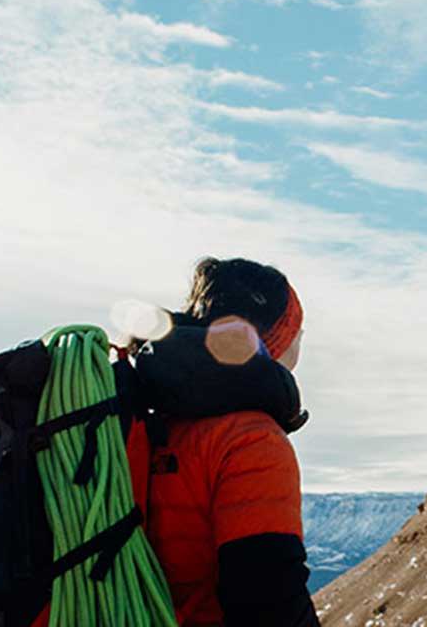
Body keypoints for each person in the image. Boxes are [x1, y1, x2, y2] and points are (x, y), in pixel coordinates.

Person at [135, 257, 318, 627]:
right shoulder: (250, 441)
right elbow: (269, 602)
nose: (300, 344)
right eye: (297, 330)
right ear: (273, 339)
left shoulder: (147, 415)